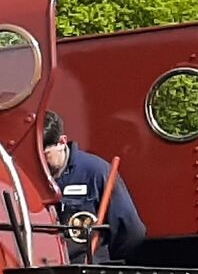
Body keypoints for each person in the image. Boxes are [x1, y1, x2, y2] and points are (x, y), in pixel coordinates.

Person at [41, 112, 145, 263]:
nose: (40, 162)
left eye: (45, 155)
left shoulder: (97, 172)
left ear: (62, 142)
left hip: (88, 271)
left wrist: (101, 259)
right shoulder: (23, 176)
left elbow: (131, 230)